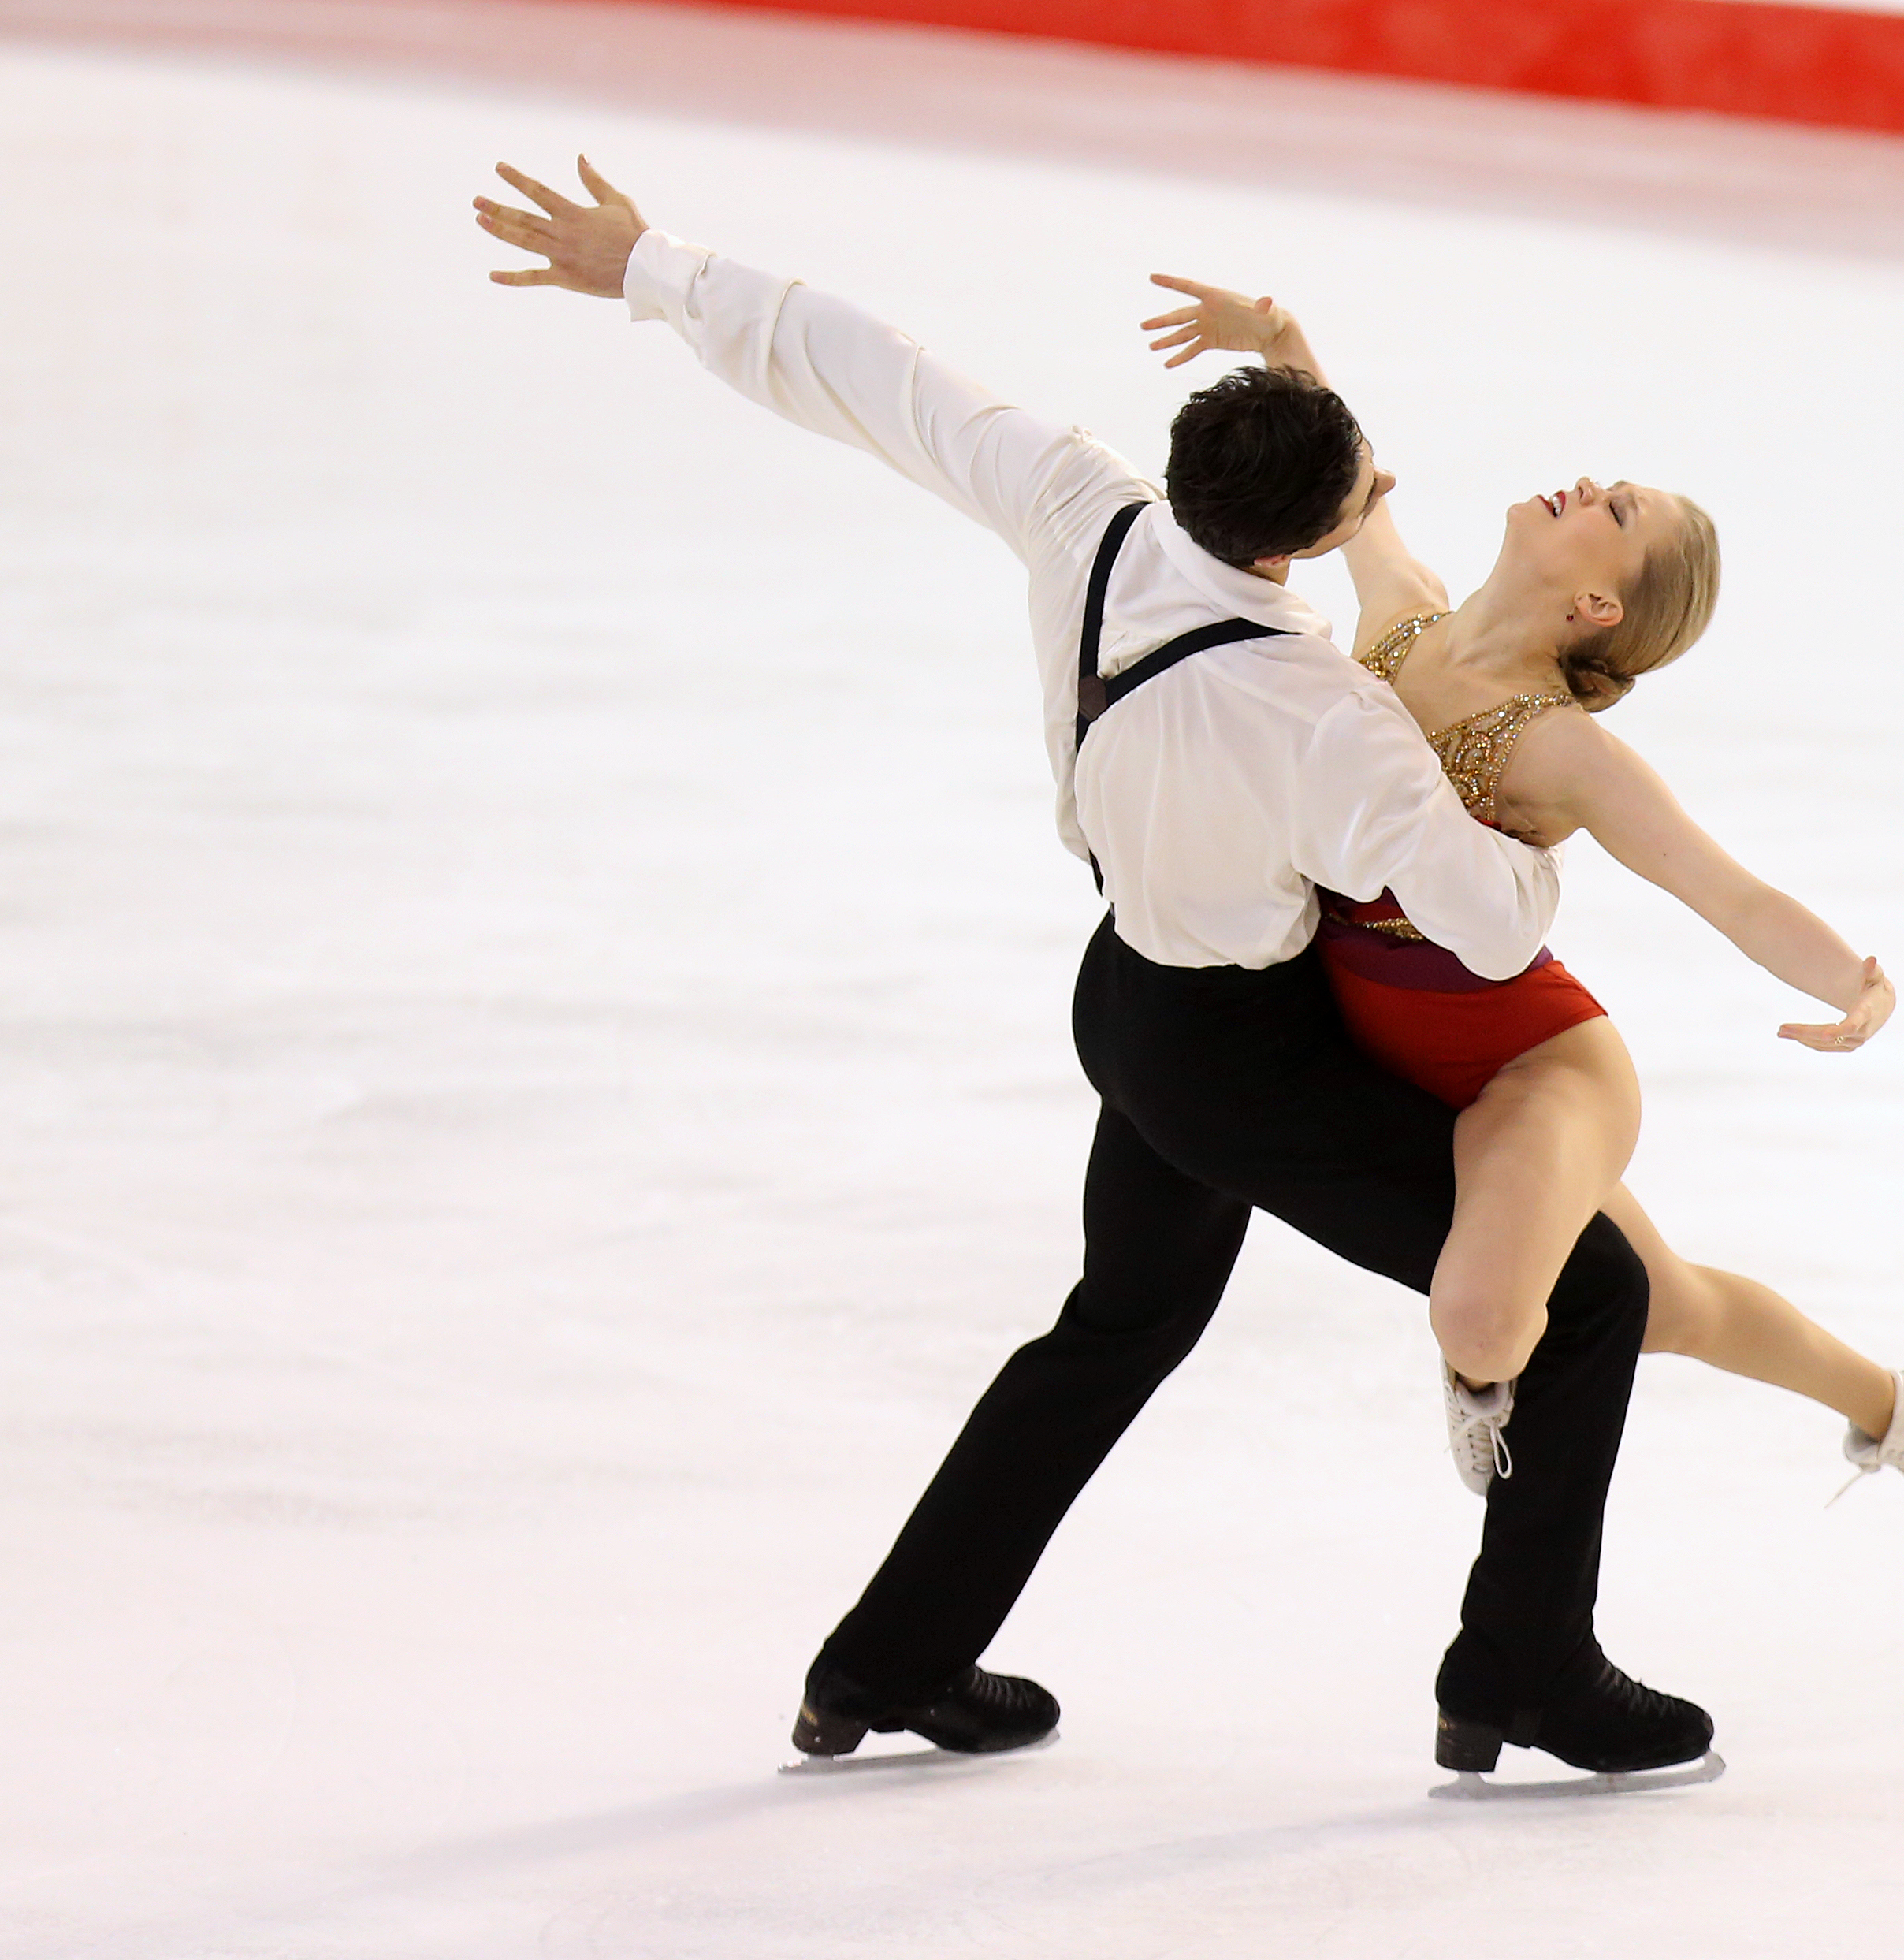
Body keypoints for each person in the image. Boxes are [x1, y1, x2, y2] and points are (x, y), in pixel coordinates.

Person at [474, 158, 1714, 1780]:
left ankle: (887, 1661)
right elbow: (1491, 927)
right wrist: (1543, 833)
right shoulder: (1323, 714)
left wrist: (655, 266)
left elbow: (869, 368)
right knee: (1596, 1289)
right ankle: (1524, 1669)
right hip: (1245, 1059)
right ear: (1320, 532)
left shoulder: (1088, 507)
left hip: (1125, 1002)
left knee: (1118, 1322)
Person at [1142, 277, 1904, 1572]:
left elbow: (1721, 885)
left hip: (1529, 1065)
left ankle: (1499, 1425)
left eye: (1614, 511)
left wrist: (1856, 982)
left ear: (1600, 609)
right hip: (1380, 1050)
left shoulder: (1563, 749)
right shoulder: (1400, 617)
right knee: (1662, 1304)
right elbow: (1350, 484)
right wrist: (1281, 342)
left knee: (1484, 1322)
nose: (1584, 487)